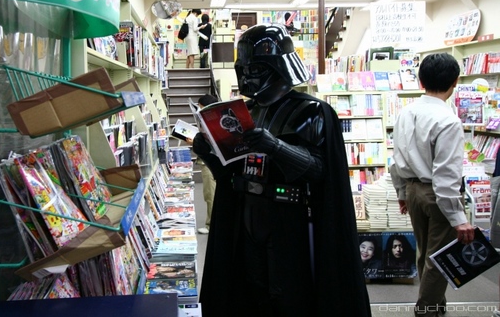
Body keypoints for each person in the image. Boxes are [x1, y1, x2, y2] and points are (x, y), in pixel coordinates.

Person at [192, 24, 371, 316]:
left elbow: (319, 171)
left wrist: (275, 147)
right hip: (247, 215)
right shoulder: (244, 111)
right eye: (244, 69)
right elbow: (231, 175)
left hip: (291, 220)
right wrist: (209, 154)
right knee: (251, 292)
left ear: (277, 67)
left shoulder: (312, 112)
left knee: (289, 296)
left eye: (256, 69)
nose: (248, 76)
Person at [390, 52, 476, 317]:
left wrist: (403, 192)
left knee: (425, 251)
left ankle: (436, 305)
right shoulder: (448, 121)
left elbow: (396, 159)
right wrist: (458, 217)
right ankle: (427, 310)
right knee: (438, 259)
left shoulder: (406, 112)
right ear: (455, 81)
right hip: (438, 195)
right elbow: (446, 175)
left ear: (420, 80)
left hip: (414, 190)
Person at [186, 94, 218, 235]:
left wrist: (194, 142)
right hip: (209, 160)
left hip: (209, 161)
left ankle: (211, 225)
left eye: (200, 108)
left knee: (210, 194)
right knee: (210, 193)